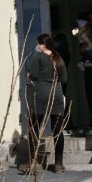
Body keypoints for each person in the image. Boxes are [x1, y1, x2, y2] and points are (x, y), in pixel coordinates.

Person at [25, 34, 67, 174]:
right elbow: (64, 79)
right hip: (57, 94)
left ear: (43, 45)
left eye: (38, 44)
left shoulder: (39, 56)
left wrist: (30, 75)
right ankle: (59, 164)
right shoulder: (59, 58)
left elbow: (33, 75)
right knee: (58, 130)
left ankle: (33, 163)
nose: (37, 46)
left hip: (42, 94)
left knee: (34, 128)